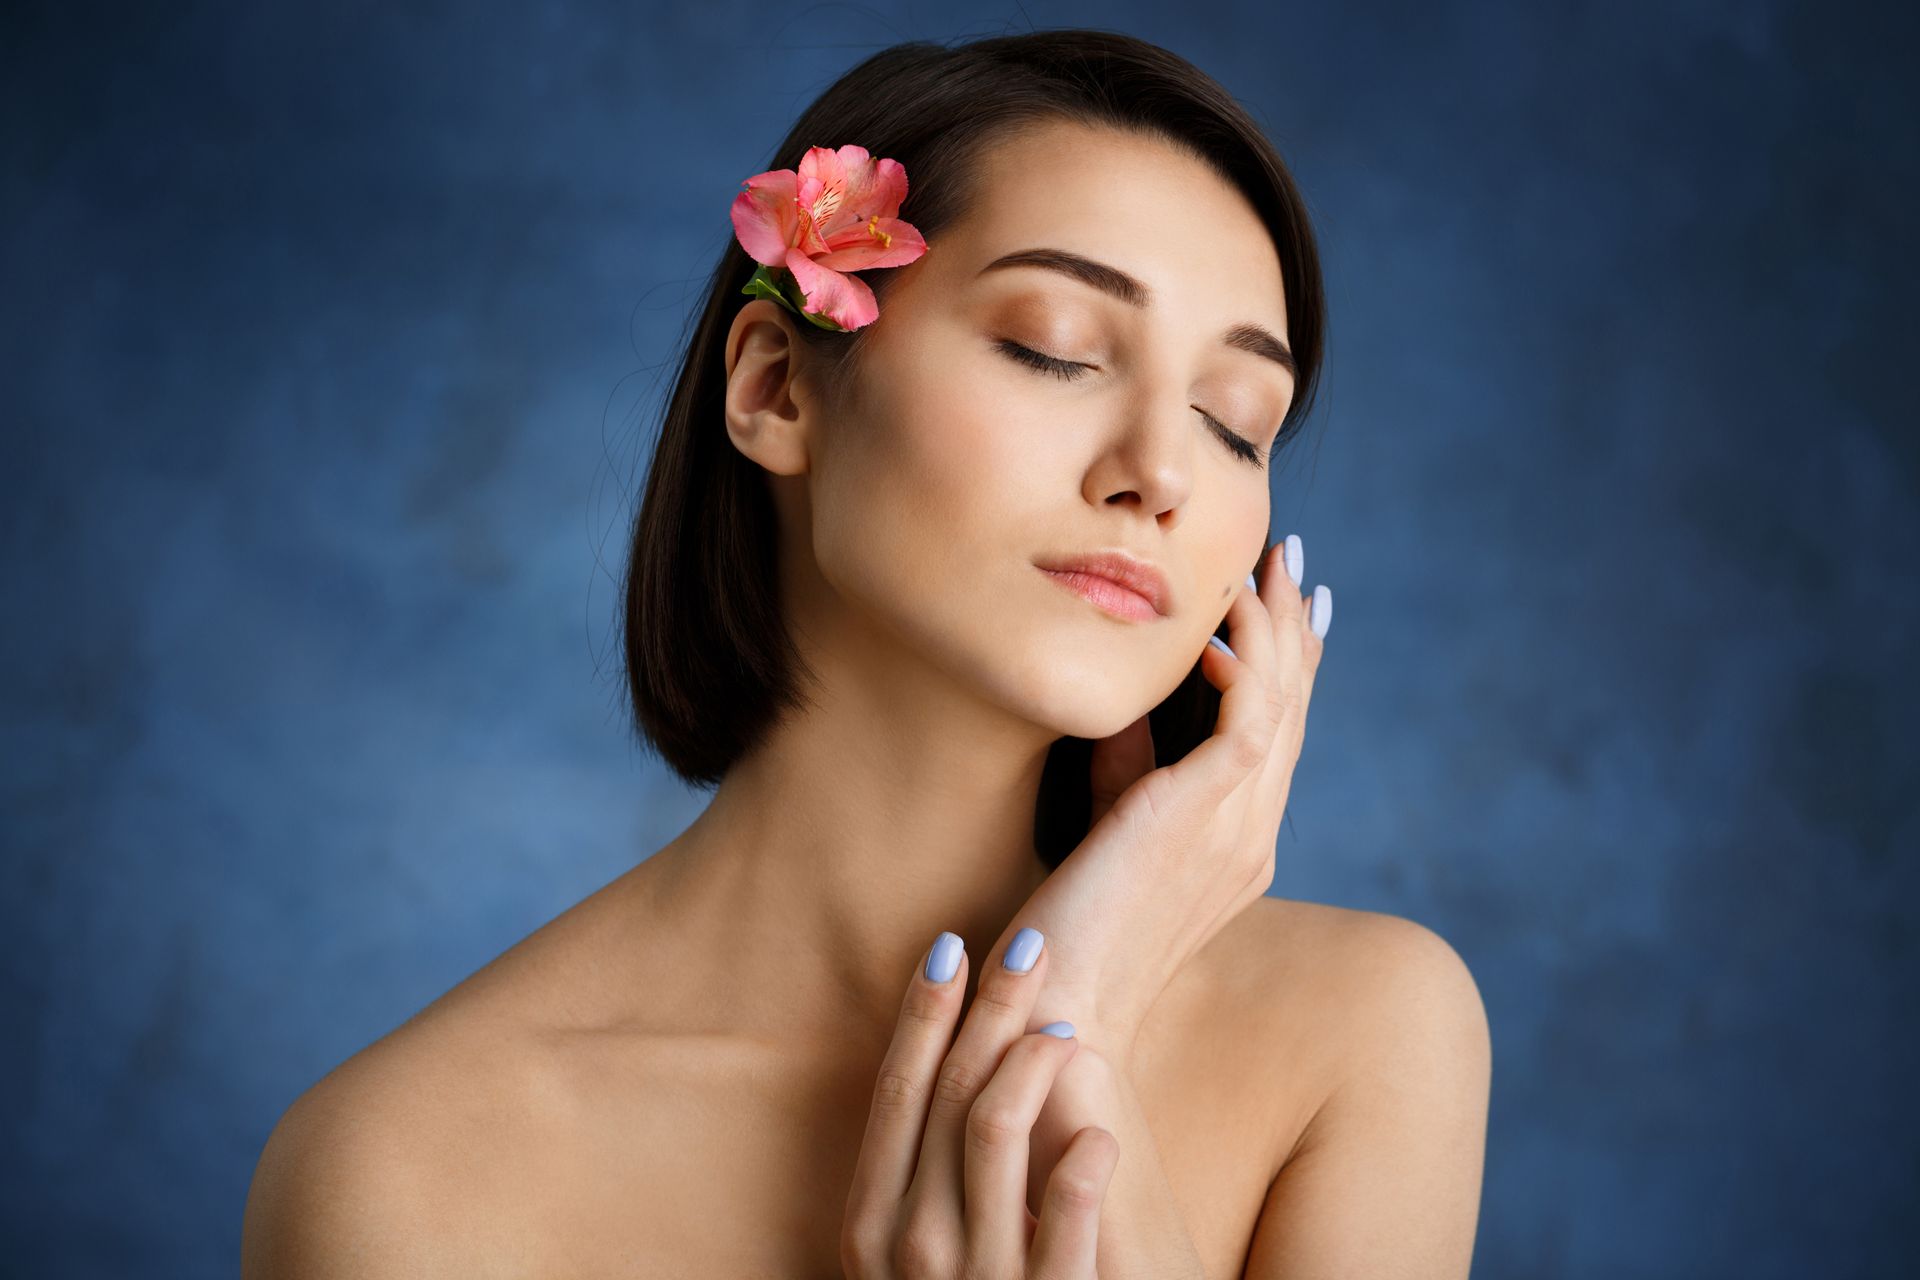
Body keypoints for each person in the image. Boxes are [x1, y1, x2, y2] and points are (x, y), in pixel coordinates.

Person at [242, 30, 1490, 1278]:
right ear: (777, 386)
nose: (1161, 473)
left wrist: (1077, 1020)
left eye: (1237, 424)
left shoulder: (1366, 1034)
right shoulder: (405, 1175)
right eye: (1055, 344)